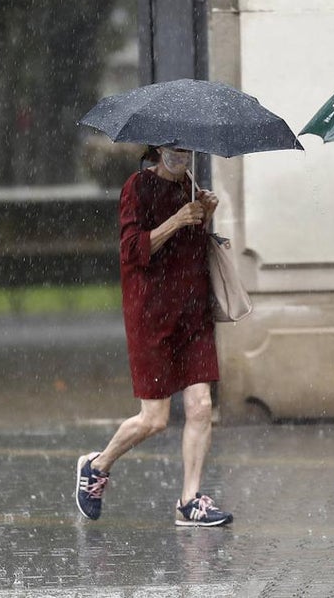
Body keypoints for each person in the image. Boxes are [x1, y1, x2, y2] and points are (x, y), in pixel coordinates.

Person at [74, 145, 232, 527]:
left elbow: (191, 252)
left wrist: (204, 217)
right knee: (155, 419)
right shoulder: (138, 187)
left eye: (187, 150)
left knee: (201, 407)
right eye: (173, 149)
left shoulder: (191, 188)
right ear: (159, 150)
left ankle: (189, 500)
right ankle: (96, 465)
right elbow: (132, 251)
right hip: (152, 315)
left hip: (192, 315)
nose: (180, 156)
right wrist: (177, 219)